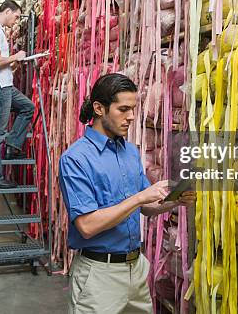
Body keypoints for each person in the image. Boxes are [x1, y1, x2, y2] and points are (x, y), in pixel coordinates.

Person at [59, 73, 195, 314]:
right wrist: (141, 197)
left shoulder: (130, 152)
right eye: (123, 109)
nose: (131, 116)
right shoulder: (76, 159)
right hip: (99, 276)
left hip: (136, 269)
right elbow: (87, 226)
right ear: (99, 109)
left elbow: (144, 207)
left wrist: (174, 201)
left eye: (133, 109)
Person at [0, 0, 35, 189]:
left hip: (3, 85)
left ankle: (12, 145)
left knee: (28, 107)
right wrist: (15, 56)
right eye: (16, 17)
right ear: (7, 11)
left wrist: (14, 65)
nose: (16, 21)